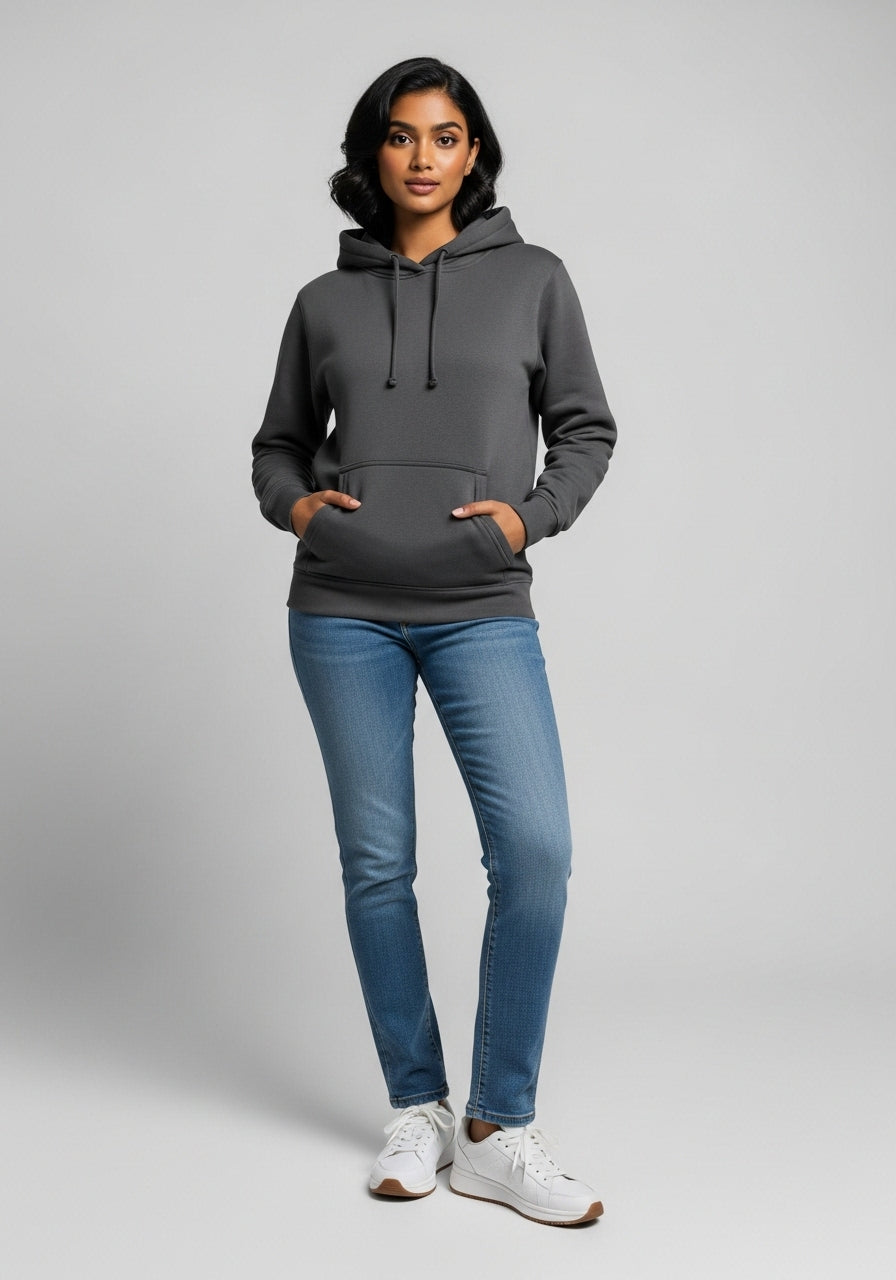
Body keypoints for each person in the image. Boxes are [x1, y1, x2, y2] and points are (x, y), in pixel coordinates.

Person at [251, 56, 616, 1227]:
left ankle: (496, 1128)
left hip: (479, 605)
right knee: (377, 863)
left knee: (536, 850)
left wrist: (527, 517)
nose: (422, 156)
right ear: (373, 153)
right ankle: (415, 1103)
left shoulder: (534, 278)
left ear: (473, 154)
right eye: (401, 135)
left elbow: (585, 428)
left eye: (445, 135)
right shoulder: (324, 298)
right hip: (339, 610)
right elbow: (276, 445)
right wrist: (301, 507)